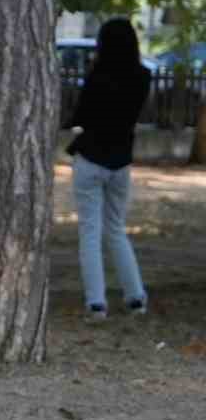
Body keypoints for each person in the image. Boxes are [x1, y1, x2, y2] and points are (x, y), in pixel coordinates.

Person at [65, 18, 150, 321]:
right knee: (115, 229)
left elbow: (79, 116)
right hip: (121, 160)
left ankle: (97, 302)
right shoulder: (143, 76)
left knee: (90, 230)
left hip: (91, 158)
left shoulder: (97, 76)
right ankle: (136, 296)